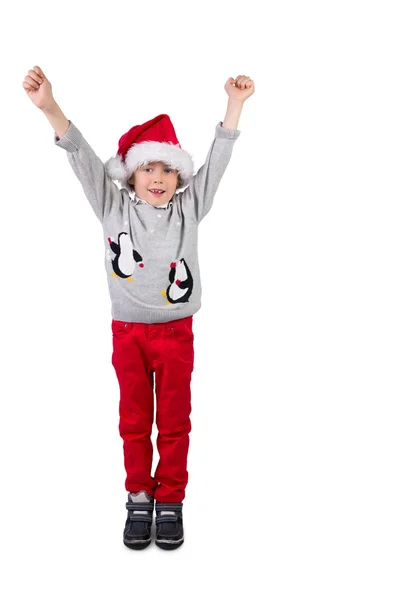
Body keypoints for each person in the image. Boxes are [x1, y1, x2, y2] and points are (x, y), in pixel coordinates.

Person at [22, 66, 255, 550]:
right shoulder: (112, 205)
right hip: (128, 331)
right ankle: (138, 496)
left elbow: (219, 161)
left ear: (179, 176)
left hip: (176, 333)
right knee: (133, 420)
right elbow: (82, 158)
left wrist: (234, 107)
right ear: (131, 173)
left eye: (168, 169)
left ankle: (171, 498)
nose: (158, 177)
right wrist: (49, 108)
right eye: (148, 167)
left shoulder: (190, 209)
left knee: (173, 421)